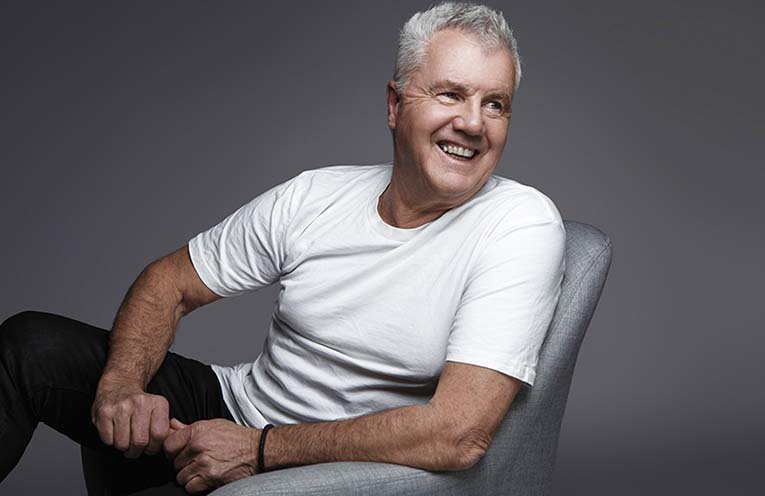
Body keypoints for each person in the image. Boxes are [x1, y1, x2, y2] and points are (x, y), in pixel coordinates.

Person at [0, 2, 566, 494]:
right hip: (235, 409)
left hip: (330, 466)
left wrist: (260, 449)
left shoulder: (519, 225)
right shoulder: (315, 196)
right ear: (395, 105)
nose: (474, 123)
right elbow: (168, 283)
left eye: (496, 104)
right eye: (450, 94)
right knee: (30, 344)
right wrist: (122, 386)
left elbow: (458, 433)